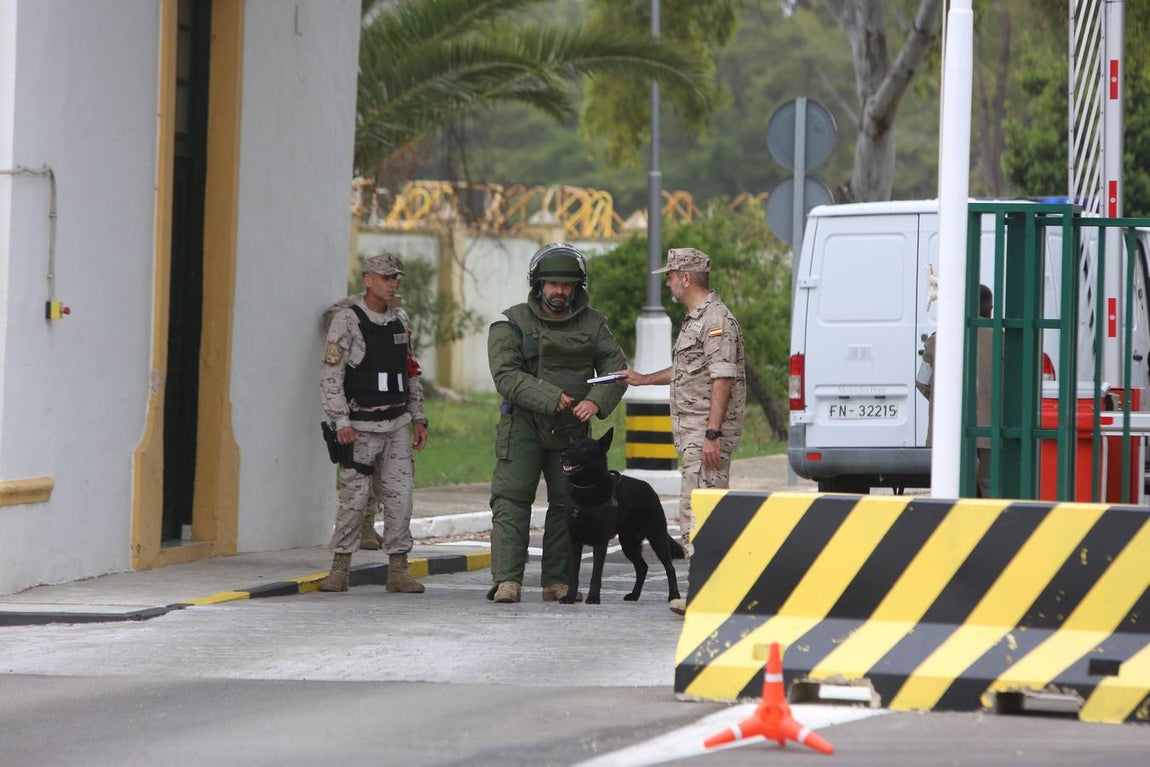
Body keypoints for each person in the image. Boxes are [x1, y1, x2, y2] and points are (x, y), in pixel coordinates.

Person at [486, 241, 628, 604]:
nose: (560, 291)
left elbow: (617, 371)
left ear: (577, 287)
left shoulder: (595, 325)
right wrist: (551, 397)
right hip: (523, 425)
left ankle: (558, 582)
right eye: (552, 284)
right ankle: (507, 581)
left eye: (567, 285)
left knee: (569, 503)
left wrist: (596, 403)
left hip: (572, 432)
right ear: (538, 285)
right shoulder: (512, 323)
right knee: (511, 498)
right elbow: (506, 376)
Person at [614, 247, 746, 615]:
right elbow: (689, 370)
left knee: (701, 514)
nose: (668, 282)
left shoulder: (715, 320)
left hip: (705, 436)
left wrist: (712, 434)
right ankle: (706, 592)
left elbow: (722, 378)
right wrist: (643, 379)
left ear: (686, 278)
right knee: (696, 512)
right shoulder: (696, 320)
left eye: (671, 276)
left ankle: (708, 595)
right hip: (695, 435)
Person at [319, 252, 430, 593]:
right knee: (354, 498)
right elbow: (331, 375)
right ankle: (340, 568)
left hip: (396, 423)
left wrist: (419, 416)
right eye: (385, 277)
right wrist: (340, 421)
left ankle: (398, 570)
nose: (392, 282)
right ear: (368, 279)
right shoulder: (347, 320)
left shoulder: (399, 319)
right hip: (360, 426)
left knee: (400, 497)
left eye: (396, 277)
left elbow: (410, 370)